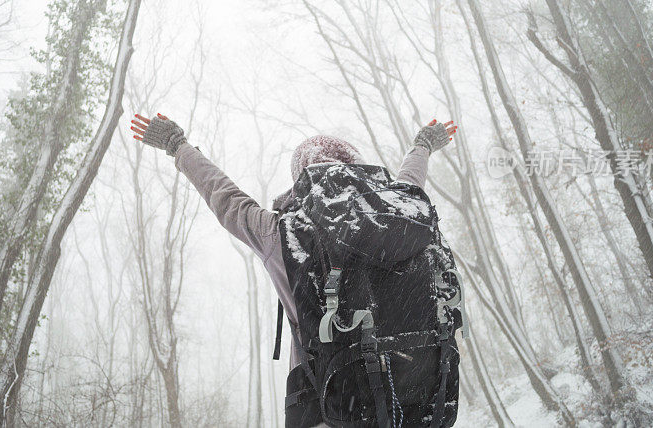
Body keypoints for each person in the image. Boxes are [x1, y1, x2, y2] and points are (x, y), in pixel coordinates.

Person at [130, 112, 458, 425]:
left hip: (332, 410)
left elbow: (226, 199)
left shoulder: (283, 234)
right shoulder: (399, 218)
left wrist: (178, 145)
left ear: (302, 180)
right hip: (419, 400)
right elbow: (409, 182)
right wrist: (423, 146)